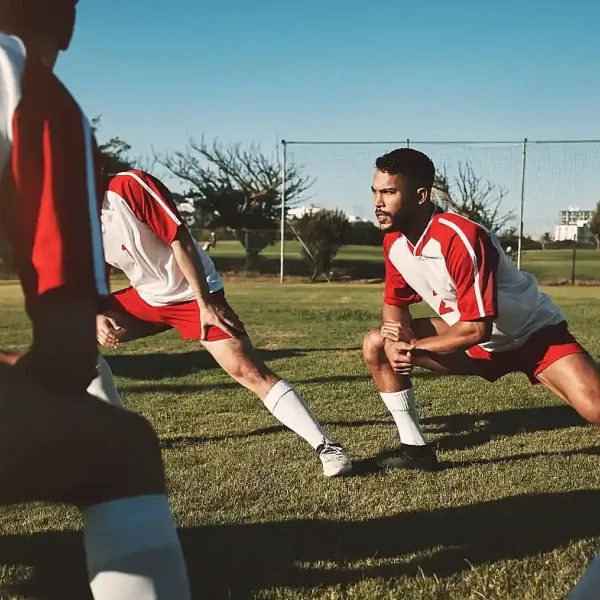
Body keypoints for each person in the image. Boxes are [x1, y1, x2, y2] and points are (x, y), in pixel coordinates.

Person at [0, 2, 190, 597]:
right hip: (152, 304)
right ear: (69, 20)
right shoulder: (29, 86)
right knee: (120, 448)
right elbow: (67, 350)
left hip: (173, 296)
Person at [89, 168, 353, 478]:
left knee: (247, 371)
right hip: (147, 298)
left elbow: (179, 239)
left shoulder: (128, 185)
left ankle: (328, 447)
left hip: (193, 293)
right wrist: (94, 314)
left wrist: (205, 304)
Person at [362, 148, 600, 470]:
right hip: (473, 343)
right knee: (376, 342)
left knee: (594, 408)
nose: (378, 202)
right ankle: (415, 450)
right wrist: (394, 339)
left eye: (389, 192)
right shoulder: (394, 241)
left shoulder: (460, 237)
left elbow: (477, 328)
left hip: (533, 335)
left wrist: (412, 347)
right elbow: (395, 304)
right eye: (375, 191)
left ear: (420, 195)